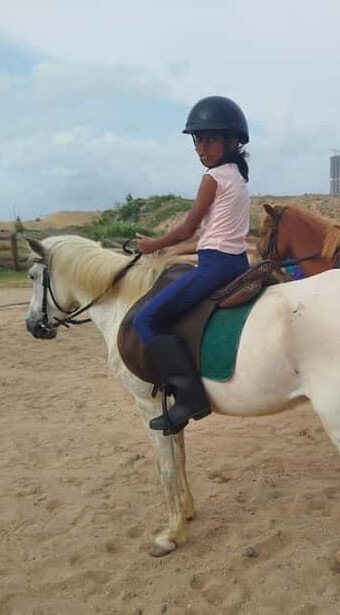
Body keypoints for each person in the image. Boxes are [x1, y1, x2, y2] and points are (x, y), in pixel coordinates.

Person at [133, 95, 251, 435]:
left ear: (232, 141)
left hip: (214, 267)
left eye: (210, 139)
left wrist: (151, 245)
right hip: (234, 262)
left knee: (146, 319)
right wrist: (173, 252)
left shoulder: (213, 178)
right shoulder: (238, 178)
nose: (202, 147)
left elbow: (188, 227)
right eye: (198, 140)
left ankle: (188, 399)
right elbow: (211, 236)